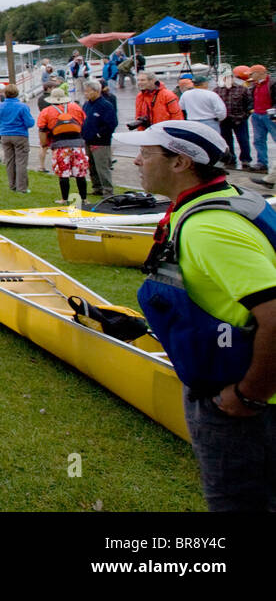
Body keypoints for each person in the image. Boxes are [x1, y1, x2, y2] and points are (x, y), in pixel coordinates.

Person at [112, 120, 276, 511]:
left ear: (180, 163)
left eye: (146, 154)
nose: (136, 161)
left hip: (245, 403)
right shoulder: (232, 198)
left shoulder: (209, 227)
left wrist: (247, 397)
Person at [38, 91, 89, 206]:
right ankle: (84, 199)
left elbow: (42, 130)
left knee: (63, 173)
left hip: (60, 145)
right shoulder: (76, 107)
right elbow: (83, 122)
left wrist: (44, 144)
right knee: (80, 173)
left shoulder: (46, 112)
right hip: (77, 144)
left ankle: (64, 199)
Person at [0, 83, 35, 193]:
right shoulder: (22, 107)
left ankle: (12, 185)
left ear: (5, 94)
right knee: (21, 162)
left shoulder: (0, 106)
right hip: (20, 135)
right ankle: (22, 187)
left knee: (10, 161)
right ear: (17, 93)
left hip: (5, 135)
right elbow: (30, 123)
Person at [80, 80, 118, 197]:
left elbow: (112, 123)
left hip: (101, 143)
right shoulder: (86, 105)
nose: (85, 94)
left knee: (102, 167)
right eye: (84, 91)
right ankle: (97, 187)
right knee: (91, 166)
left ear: (96, 91)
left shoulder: (105, 105)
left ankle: (108, 191)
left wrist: (99, 134)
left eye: (88, 91)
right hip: (87, 140)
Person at [215, 70, 253, 169]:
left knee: (243, 140)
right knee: (226, 141)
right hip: (224, 121)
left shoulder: (242, 89)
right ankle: (230, 159)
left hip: (240, 119)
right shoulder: (217, 90)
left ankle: (245, 160)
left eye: (229, 78)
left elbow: (249, 103)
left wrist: (246, 115)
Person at [247, 64, 275, 175]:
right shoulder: (254, 85)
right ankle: (262, 163)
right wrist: (251, 109)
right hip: (256, 116)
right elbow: (250, 99)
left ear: (259, 73)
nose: (250, 76)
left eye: (251, 73)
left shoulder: (272, 83)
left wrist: (274, 113)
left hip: (270, 116)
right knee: (258, 140)